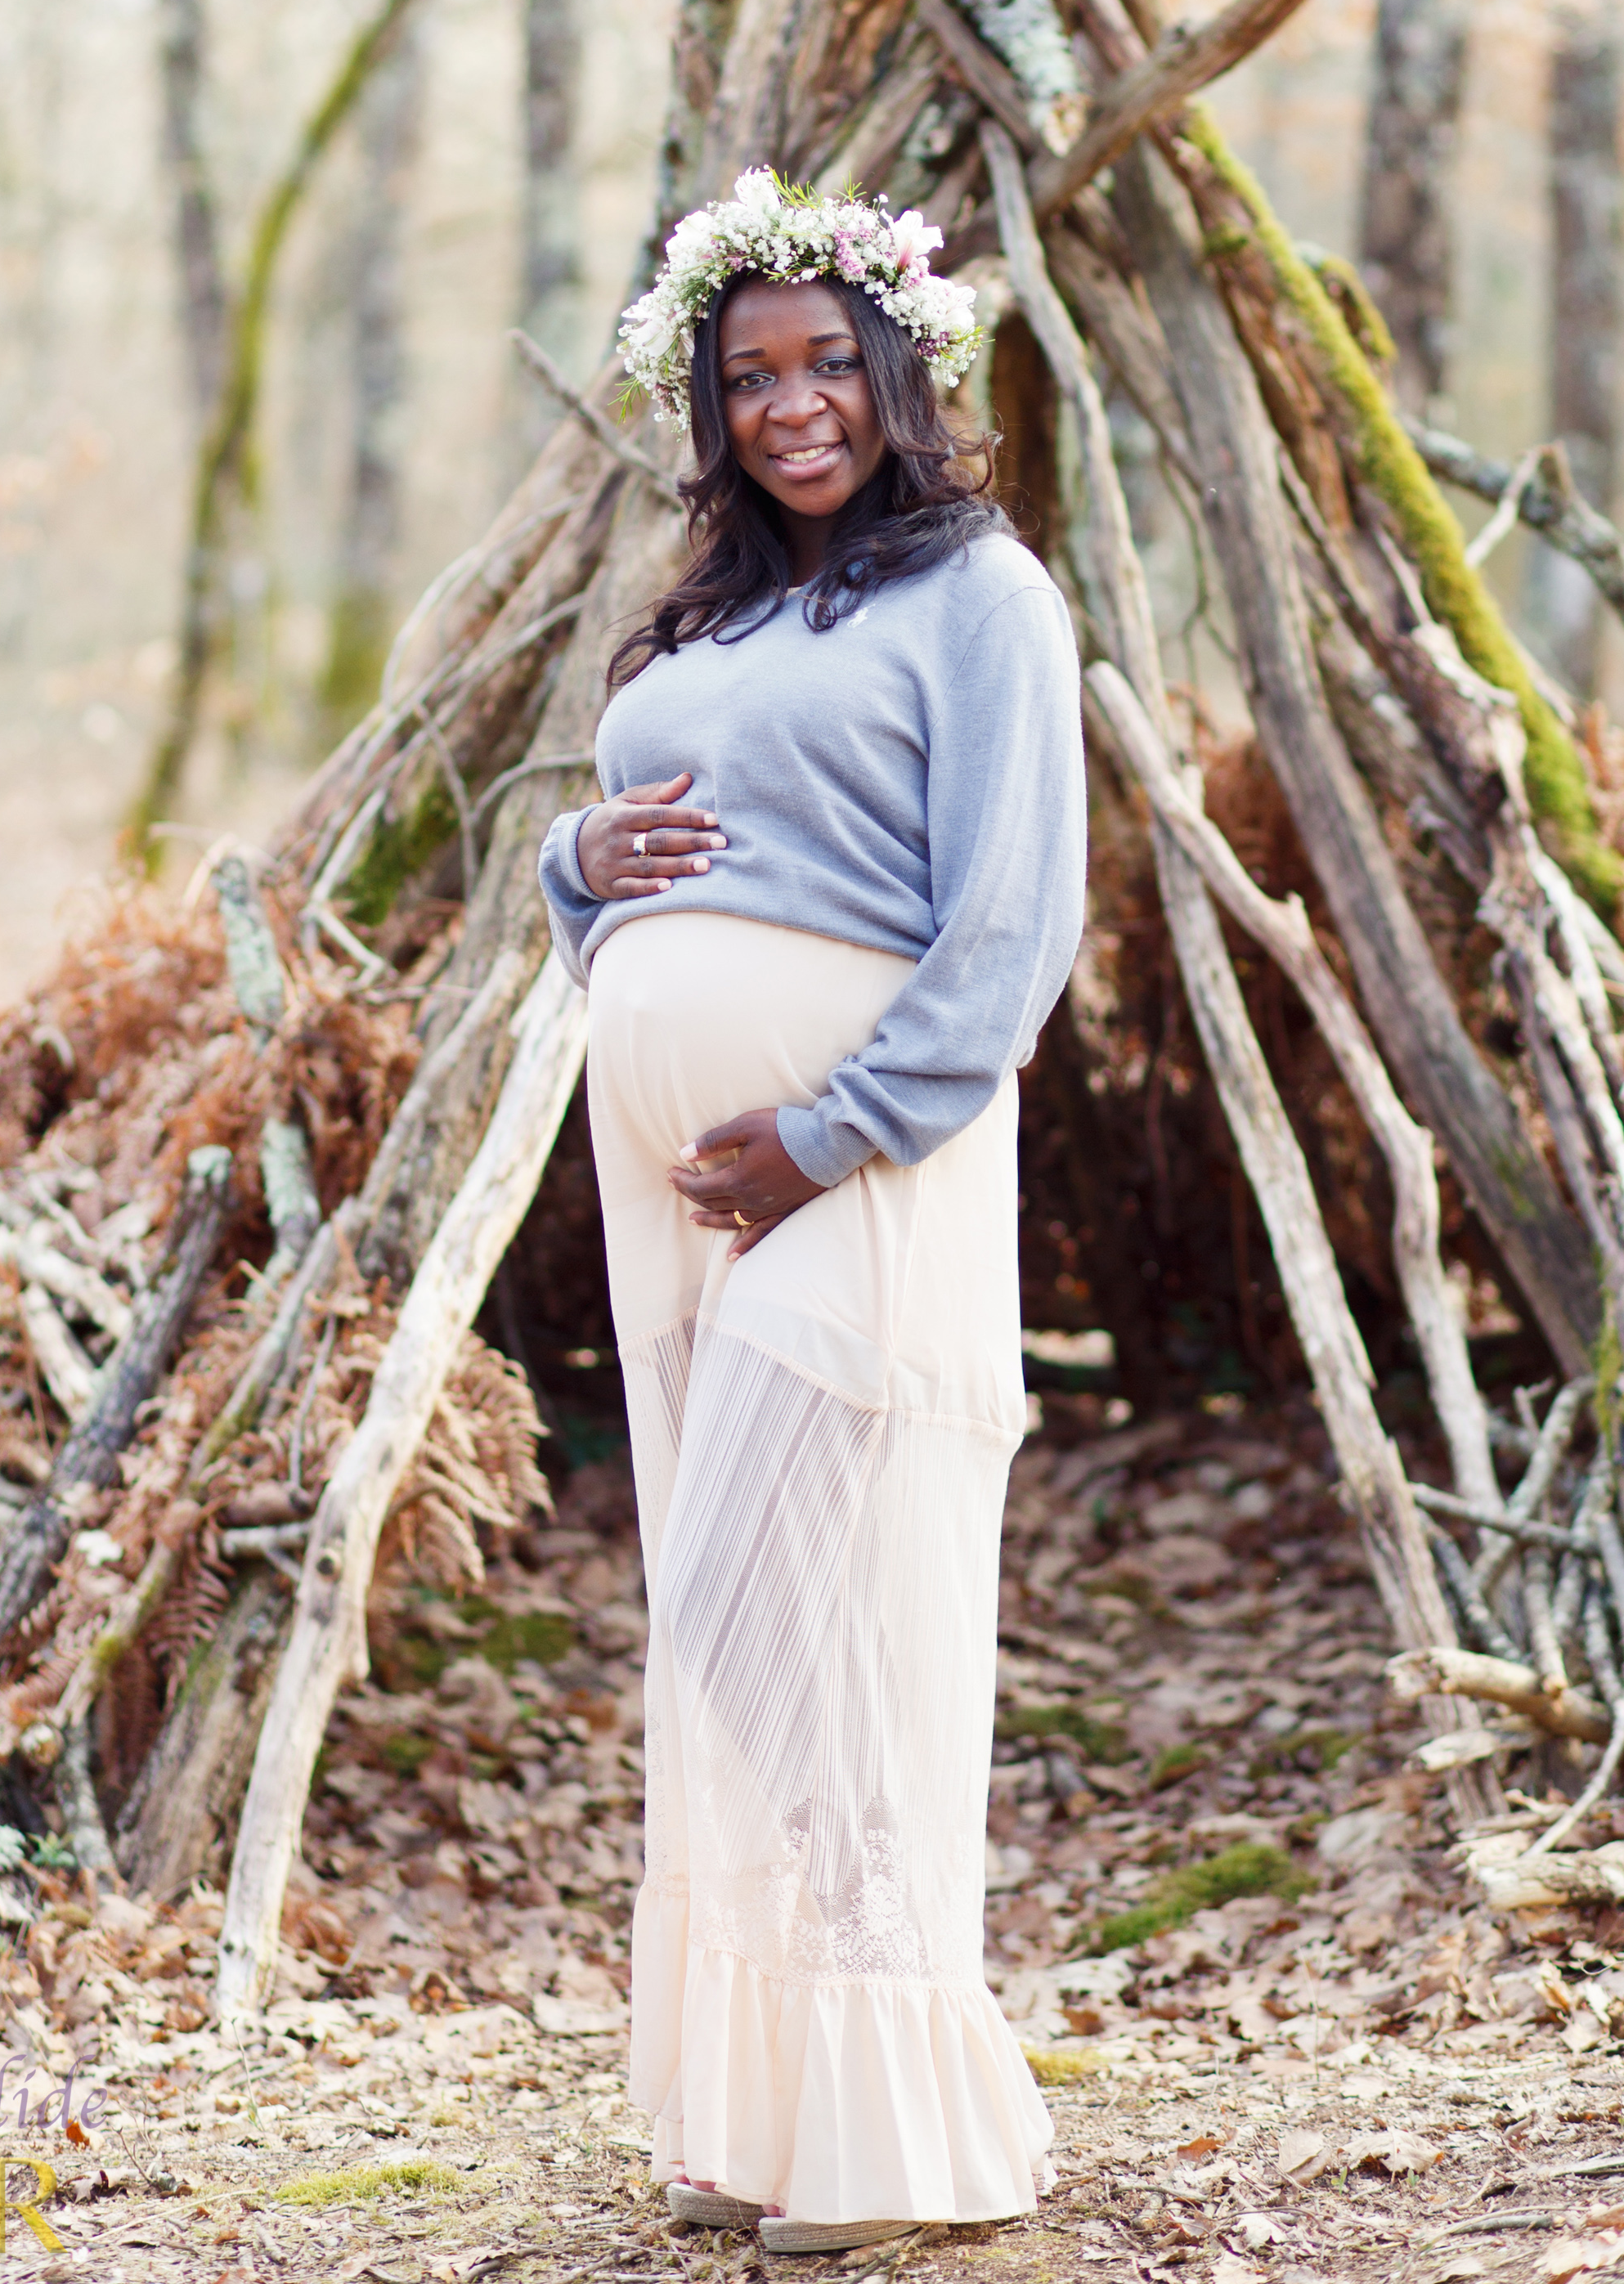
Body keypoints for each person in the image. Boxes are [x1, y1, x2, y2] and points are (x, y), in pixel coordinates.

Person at [537, 168, 1086, 2251]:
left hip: (867, 1158)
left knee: (810, 1591)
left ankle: (901, 2114)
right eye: (747, 372)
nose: (789, 406)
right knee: (734, 1630)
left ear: (896, 372)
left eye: (823, 364)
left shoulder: (982, 598)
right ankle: (763, 2105)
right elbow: (613, 880)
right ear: (707, 396)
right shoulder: (708, 614)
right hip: (677, 1182)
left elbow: (1012, 925)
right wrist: (582, 863)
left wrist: (823, 1125)